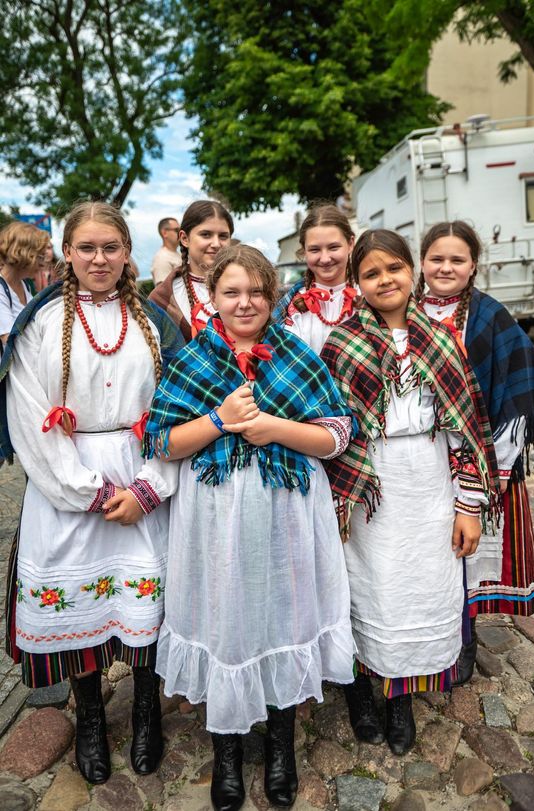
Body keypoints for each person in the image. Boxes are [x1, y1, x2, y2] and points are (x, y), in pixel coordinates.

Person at [144, 244, 356, 810]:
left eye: (256, 292)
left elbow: (337, 434)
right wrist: (220, 421)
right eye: (231, 292)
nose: (245, 303)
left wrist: (274, 427)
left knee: (285, 610)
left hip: (286, 511)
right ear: (211, 297)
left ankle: (281, 745)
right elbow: (161, 441)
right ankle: (229, 752)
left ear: (273, 296)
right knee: (227, 616)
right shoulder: (191, 360)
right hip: (214, 518)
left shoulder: (298, 356)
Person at [0, 201, 184, 785]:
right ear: (68, 254)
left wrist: (150, 488)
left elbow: (183, 411)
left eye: (110, 247)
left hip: (144, 473)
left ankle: (149, 711)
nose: (99, 258)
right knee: (78, 606)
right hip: (68, 485)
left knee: (148, 606)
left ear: (127, 252)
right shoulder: (41, 323)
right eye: (87, 248)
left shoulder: (156, 324)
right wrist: (92, 492)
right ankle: (88, 719)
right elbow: (30, 415)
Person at [321, 229, 499, 755]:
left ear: (411, 271)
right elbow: (331, 427)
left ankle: (401, 701)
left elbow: (464, 429)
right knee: (366, 585)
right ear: (357, 282)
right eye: (371, 273)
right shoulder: (341, 343)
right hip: (368, 484)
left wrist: (468, 506)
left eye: (393, 268)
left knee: (419, 587)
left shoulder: (442, 339)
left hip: (428, 482)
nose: (385, 280)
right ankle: (359, 691)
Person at [418, 220, 534, 683]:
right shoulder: (401, 312)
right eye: (436, 259)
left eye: (457, 260)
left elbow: (519, 389)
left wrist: (499, 465)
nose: (445, 267)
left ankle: (463, 638)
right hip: (420, 459)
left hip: (479, 459)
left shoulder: (491, 317)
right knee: (426, 550)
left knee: (464, 550)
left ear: (473, 266)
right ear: (422, 262)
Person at [273, 203, 360, 355]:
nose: (325, 259)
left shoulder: (367, 296)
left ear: (350, 243)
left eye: (333, 247)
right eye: (315, 250)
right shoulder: (291, 305)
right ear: (304, 250)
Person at [149, 200, 234, 341]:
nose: (216, 244)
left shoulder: (248, 286)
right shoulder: (163, 298)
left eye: (223, 236)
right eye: (206, 234)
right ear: (184, 238)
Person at [0, 222, 49, 343]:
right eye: (40, 257)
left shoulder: (24, 285)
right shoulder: (1, 290)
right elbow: (9, 340)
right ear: (23, 254)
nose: (43, 264)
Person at [150, 217, 181, 285]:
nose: (180, 233)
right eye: (177, 230)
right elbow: (164, 292)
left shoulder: (177, 254)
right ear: (164, 233)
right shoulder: (161, 258)